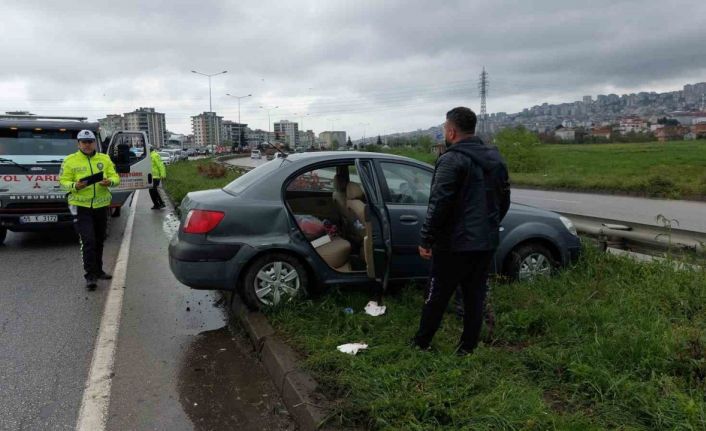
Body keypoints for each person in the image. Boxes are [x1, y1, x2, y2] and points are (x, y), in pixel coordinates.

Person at [412, 107, 510, 355]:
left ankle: (421, 343)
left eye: (445, 128)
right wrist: (488, 225)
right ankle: (467, 348)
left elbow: (439, 204)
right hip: (485, 243)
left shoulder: (451, 159)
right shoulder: (495, 159)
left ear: (452, 131)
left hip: (453, 245)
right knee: (474, 296)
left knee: (436, 294)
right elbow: (504, 199)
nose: (445, 132)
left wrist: (426, 238)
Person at [59, 130, 120, 290]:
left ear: (94, 143)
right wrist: (74, 186)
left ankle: (99, 270)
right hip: (81, 207)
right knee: (88, 241)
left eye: (90, 141)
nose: (87, 145)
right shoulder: (70, 160)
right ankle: (90, 276)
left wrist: (110, 182)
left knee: (99, 239)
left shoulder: (104, 159)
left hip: (101, 206)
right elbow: (63, 181)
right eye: (84, 142)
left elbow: (116, 177)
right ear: (78, 143)